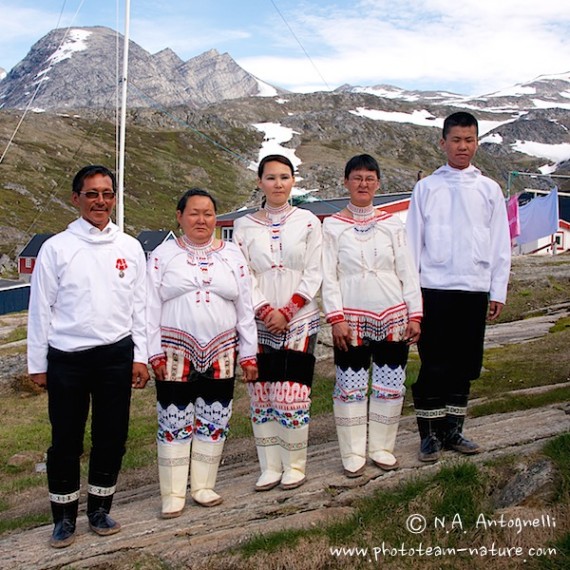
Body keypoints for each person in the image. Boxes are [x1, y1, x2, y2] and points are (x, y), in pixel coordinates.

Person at [27, 164, 149, 548]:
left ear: (115, 198)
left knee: (111, 436)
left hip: (116, 354)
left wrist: (141, 356)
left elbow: (141, 307)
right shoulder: (56, 248)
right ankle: (63, 517)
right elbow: (40, 309)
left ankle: (99, 509)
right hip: (67, 359)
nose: (101, 201)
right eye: (92, 193)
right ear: (76, 198)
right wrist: (37, 364)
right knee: (66, 440)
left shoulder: (129, 247)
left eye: (107, 193)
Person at [406, 111, 511, 463]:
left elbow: (499, 242)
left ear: (476, 143)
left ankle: (454, 430)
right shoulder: (427, 188)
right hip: (433, 288)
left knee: (465, 364)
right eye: (456, 140)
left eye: (469, 140)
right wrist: (412, 298)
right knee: (434, 363)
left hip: (474, 288)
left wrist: (497, 290)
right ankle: (429, 436)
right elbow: (412, 245)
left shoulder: (489, 189)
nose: (462, 147)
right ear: (443, 143)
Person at [147, 188, 258, 517]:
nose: (201, 220)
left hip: (222, 347)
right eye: (194, 213)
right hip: (173, 349)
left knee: (215, 416)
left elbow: (245, 307)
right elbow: (148, 306)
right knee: (174, 416)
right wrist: (151, 351)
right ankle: (172, 493)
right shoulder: (163, 255)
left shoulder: (232, 255)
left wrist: (248, 352)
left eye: (208, 213)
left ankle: (204, 486)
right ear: (179, 217)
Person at [322, 154, 422, 477]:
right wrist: (336, 317)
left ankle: (381, 447)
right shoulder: (333, 227)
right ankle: (352, 452)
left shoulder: (392, 224)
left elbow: (407, 270)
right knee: (350, 385)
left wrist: (414, 314)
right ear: (346, 182)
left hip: (393, 313)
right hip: (350, 319)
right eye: (357, 178)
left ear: (378, 183)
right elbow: (329, 276)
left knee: (390, 384)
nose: (363, 184)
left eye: (369, 178)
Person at [233, 154, 322, 491]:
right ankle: (269, 466)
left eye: (284, 177)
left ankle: (295, 465)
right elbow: (244, 275)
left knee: (293, 395)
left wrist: (288, 309)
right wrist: (264, 309)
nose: (278, 184)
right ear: (260, 182)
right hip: (259, 322)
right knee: (263, 395)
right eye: (271, 178)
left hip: (300, 319)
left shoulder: (310, 222)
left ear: (293, 181)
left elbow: (316, 270)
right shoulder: (243, 226)